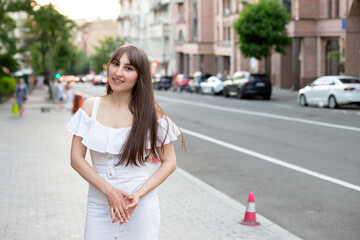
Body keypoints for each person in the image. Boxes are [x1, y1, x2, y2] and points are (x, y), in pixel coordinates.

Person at [66, 44, 184, 240]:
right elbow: (76, 159)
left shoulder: (151, 112)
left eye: (128, 68)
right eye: (115, 64)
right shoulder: (90, 107)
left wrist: (139, 194)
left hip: (139, 206)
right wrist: (109, 191)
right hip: (99, 203)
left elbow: (170, 162)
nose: (118, 72)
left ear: (140, 76)